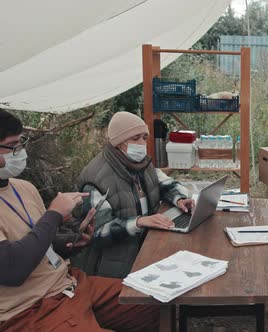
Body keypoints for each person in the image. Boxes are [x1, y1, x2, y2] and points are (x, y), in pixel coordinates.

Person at [0, 109, 158, 331]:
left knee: (154, 303)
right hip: (29, 309)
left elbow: (38, 245)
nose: (20, 152)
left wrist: (69, 244)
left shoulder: (23, 187)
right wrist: (54, 215)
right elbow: (12, 270)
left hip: (70, 285)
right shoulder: (99, 172)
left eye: (21, 144)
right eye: (13, 146)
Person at [72, 111, 194, 278]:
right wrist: (139, 222)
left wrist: (180, 198)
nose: (142, 144)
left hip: (145, 249)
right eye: (135, 138)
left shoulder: (141, 164)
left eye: (144, 138)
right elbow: (98, 232)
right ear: (118, 142)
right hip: (112, 267)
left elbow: (166, 183)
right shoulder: (96, 178)